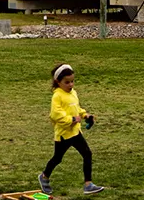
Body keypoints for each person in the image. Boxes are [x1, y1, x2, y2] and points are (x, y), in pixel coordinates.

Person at [40, 62, 104, 195]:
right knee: (57, 158)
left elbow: (76, 108)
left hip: (75, 132)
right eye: (67, 82)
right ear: (58, 82)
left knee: (87, 154)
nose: (71, 85)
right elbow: (56, 115)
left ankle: (88, 184)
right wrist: (73, 120)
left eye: (72, 81)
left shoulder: (73, 93)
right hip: (63, 135)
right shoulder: (57, 96)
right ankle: (44, 177)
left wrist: (85, 115)